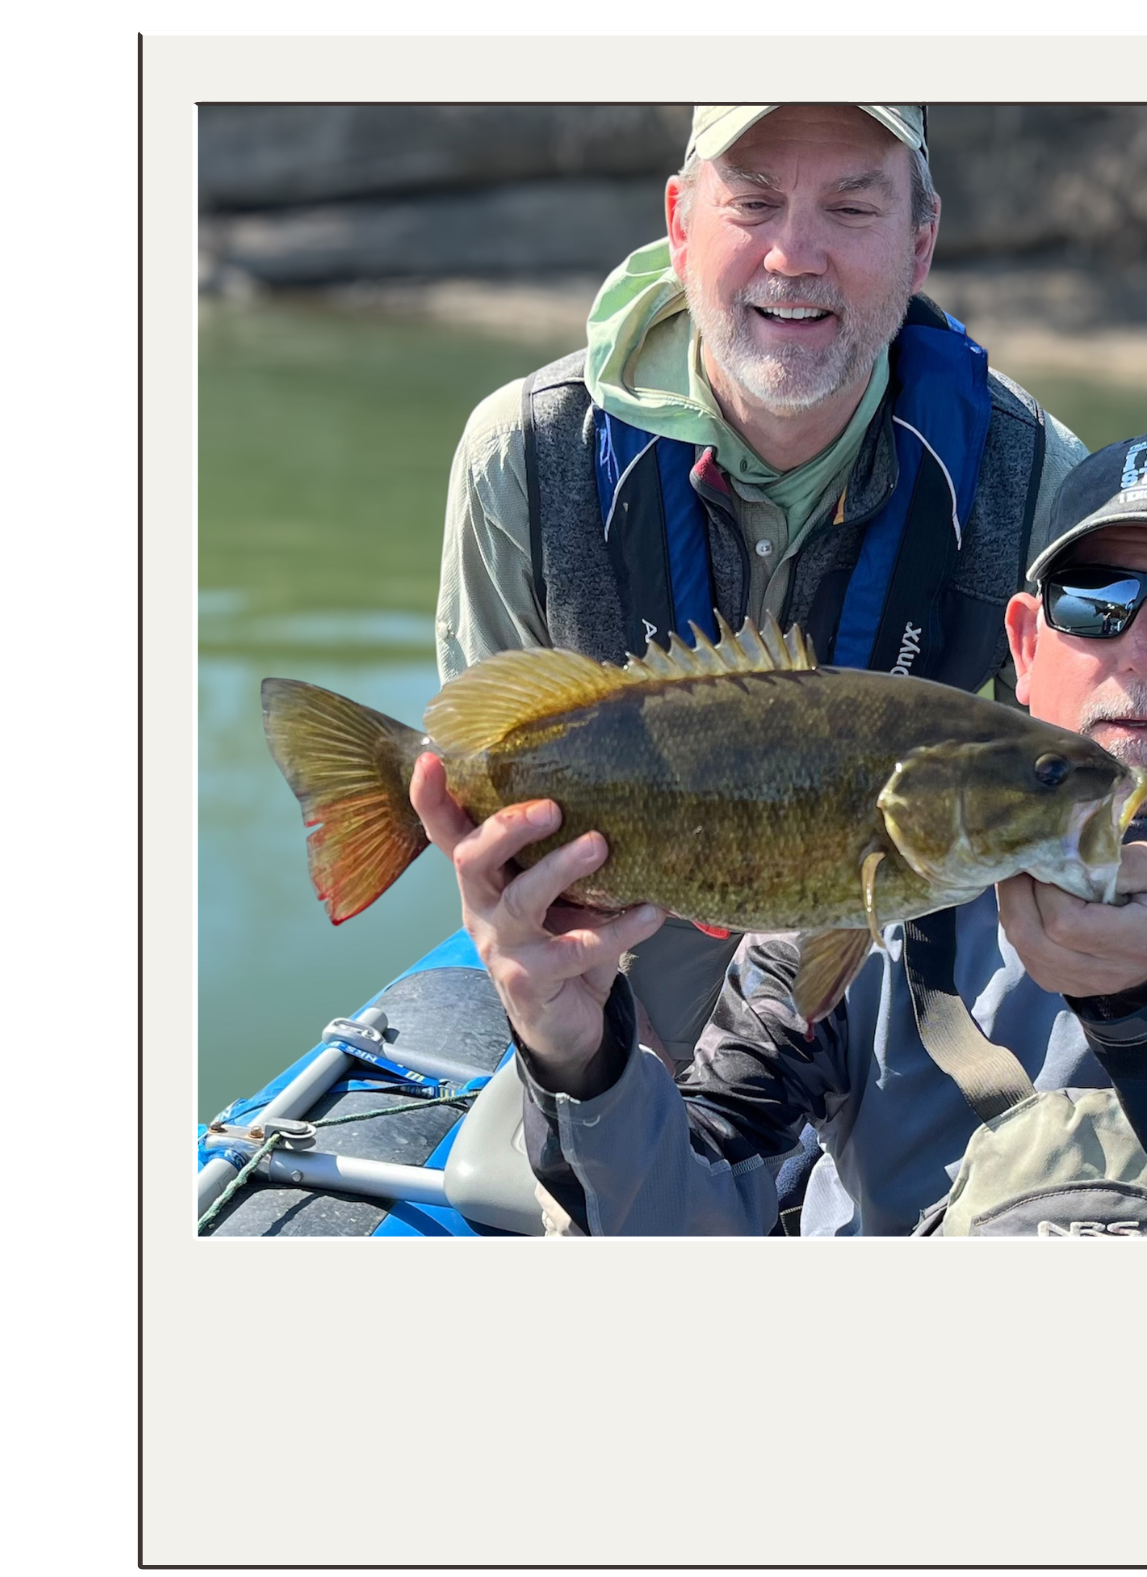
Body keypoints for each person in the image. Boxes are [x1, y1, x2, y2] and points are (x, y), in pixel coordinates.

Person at [410, 424, 1147, 1237]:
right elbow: (686, 1223)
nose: (1144, 648)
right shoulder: (847, 920)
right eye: (1096, 601)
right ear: (1026, 643)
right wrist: (583, 1055)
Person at [431, 103, 1088, 1065]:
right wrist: (604, 1070)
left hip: (905, 988)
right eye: (753, 202)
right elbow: (478, 764)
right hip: (611, 976)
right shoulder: (520, 456)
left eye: (852, 209)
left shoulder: (1033, 478)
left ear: (920, 243)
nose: (793, 255)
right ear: (681, 224)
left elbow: (1068, 781)